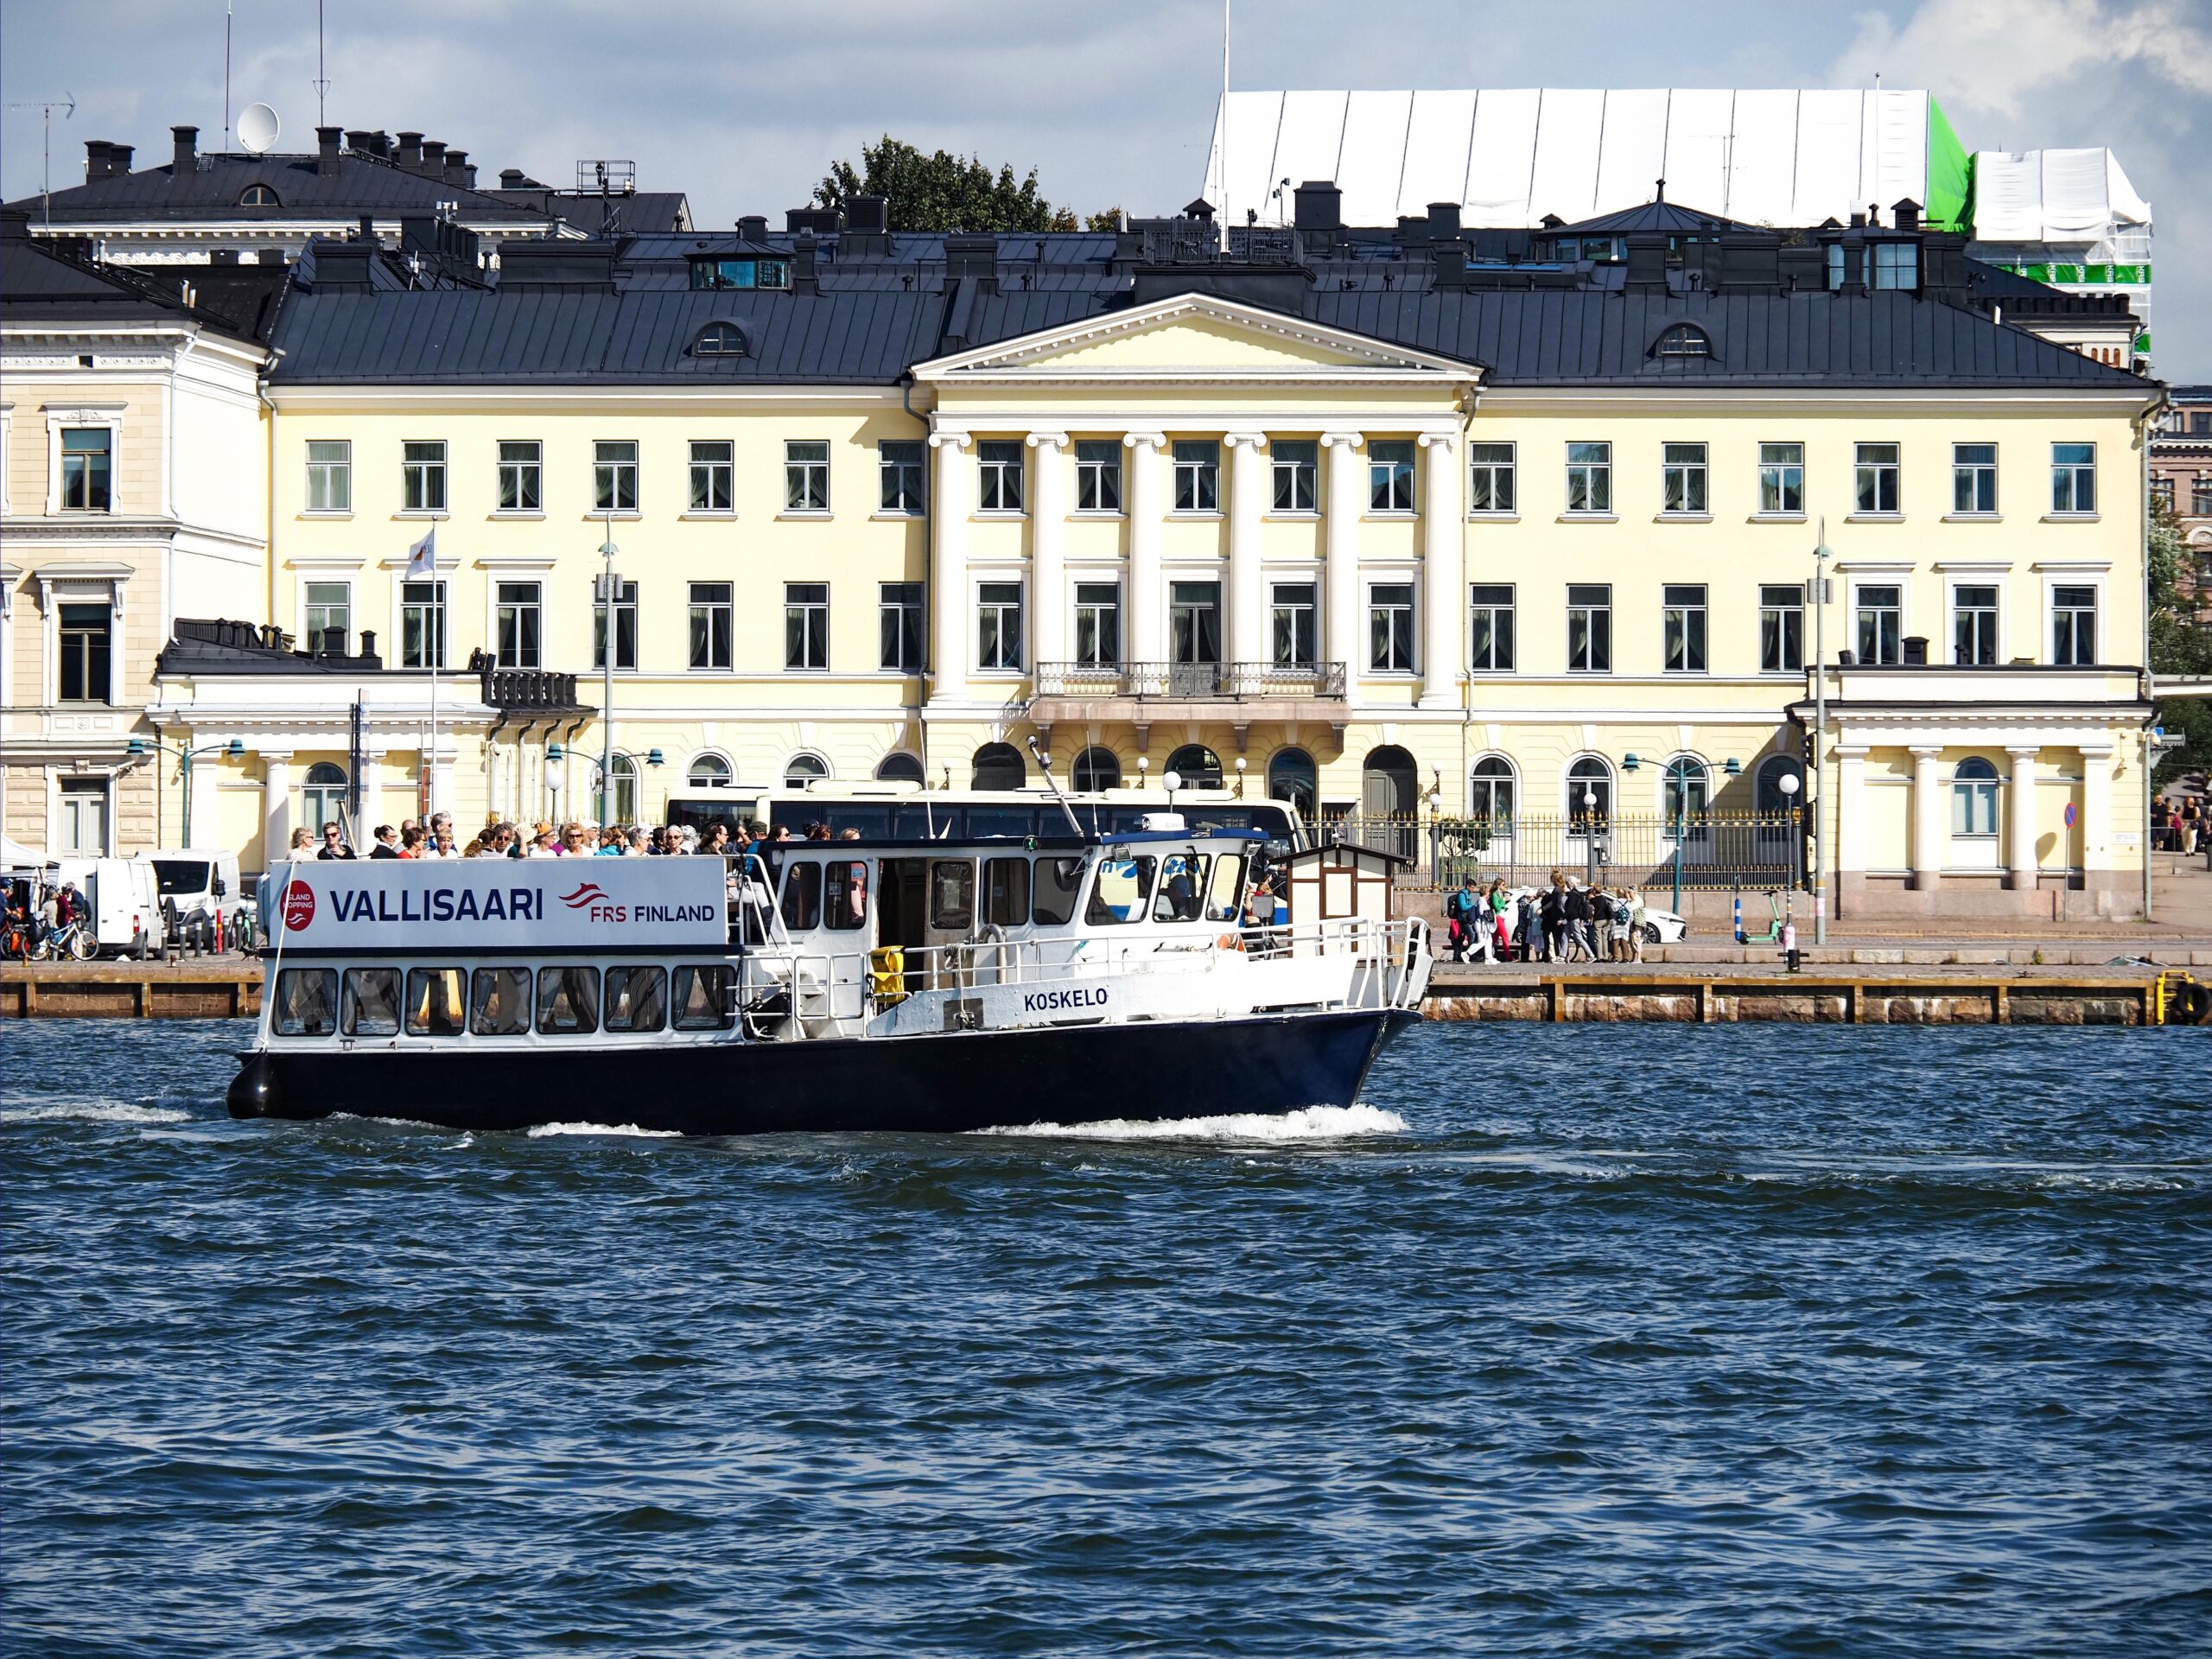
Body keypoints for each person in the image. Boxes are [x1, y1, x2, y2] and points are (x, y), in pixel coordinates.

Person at [1445, 876, 1481, 964]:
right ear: (1468, 886)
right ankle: (1468, 954)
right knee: (1471, 935)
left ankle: (1459, 954)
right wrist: (1473, 906)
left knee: (1463, 937)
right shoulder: (1462, 894)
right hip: (1463, 919)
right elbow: (1463, 906)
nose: (1474, 889)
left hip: (1467, 919)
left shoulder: (1468, 894)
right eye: (1472, 887)